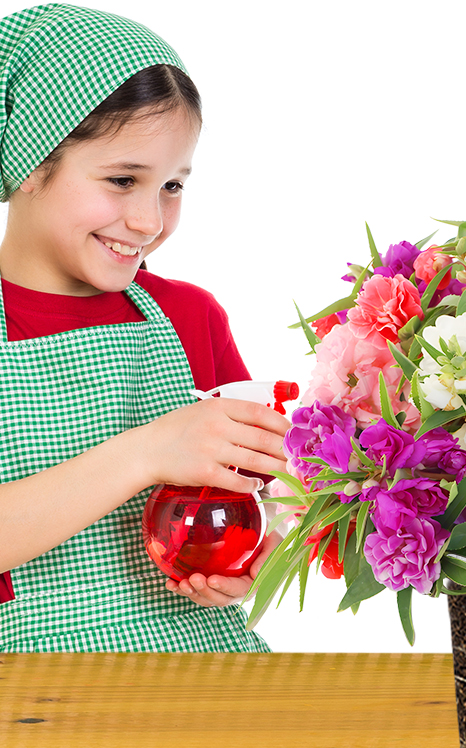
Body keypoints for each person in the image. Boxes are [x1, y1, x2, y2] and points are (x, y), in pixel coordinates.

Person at [0, 4, 289, 652]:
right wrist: (148, 451)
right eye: (123, 179)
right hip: (32, 705)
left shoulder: (191, 317)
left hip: (201, 677)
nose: (148, 219)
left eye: (173, 185)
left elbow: (263, 499)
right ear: (29, 163)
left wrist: (250, 557)